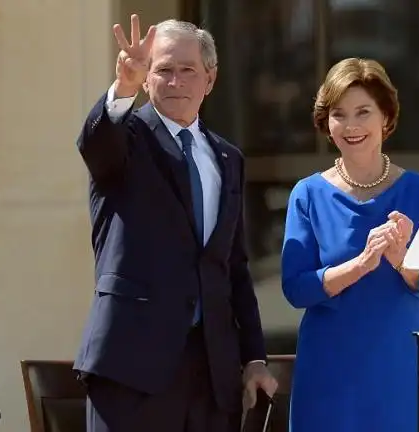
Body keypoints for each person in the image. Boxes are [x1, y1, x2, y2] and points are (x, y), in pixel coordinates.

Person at [73, 14, 278, 432]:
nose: (175, 81)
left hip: (212, 373)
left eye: (188, 71)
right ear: (147, 78)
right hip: (132, 369)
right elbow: (95, 144)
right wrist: (122, 88)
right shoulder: (125, 139)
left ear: (210, 79)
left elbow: (233, 267)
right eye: (163, 70)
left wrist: (254, 357)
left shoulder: (227, 157)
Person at [280, 58, 419, 432]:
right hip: (327, 367)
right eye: (339, 114)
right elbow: (295, 288)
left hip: (398, 365)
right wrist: (360, 264)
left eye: (363, 112)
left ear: (386, 118)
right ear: (326, 123)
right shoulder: (307, 194)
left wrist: (400, 258)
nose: (351, 125)